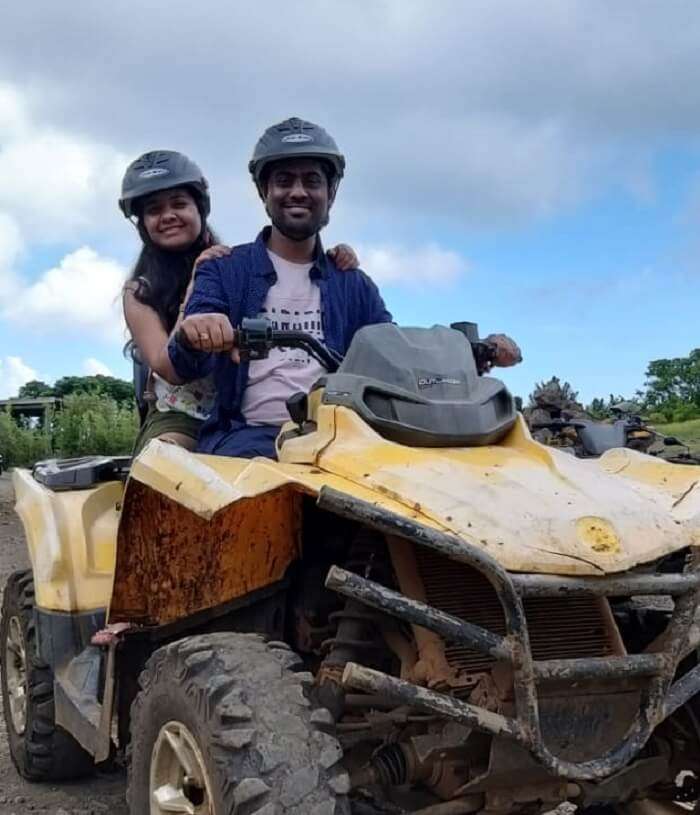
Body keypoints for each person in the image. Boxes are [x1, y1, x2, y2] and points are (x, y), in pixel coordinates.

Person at [167, 117, 521, 460]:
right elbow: (184, 362)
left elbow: (396, 359)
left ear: (331, 192)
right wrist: (197, 330)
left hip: (344, 438)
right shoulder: (223, 268)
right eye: (284, 180)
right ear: (264, 192)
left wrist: (475, 354)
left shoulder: (354, 283)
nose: (298, 192)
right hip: (251, 438)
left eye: (312, 181)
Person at [119, 149, 360, 455]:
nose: (168, 216)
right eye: (154, 210)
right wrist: (196, 290)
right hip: (183, 415)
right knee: (164, 462)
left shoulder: (231, 265)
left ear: (200, 208)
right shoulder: (140, 292)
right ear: (142, 223)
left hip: (236, 411)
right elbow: (170, 368)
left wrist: (336, 260)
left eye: (179, 204)